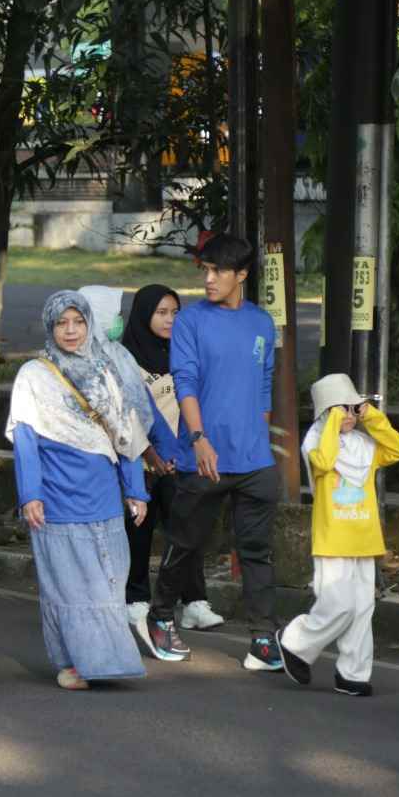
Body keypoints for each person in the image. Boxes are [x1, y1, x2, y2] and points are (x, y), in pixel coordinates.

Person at [144, 233, 282, 670]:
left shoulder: (262, 323)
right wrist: (199, 438)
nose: (209, 279)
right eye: (205, 269)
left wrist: (255, 435)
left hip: (255, 462)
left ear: (241, 275)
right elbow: (184, 380)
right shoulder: (192, 322)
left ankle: (263, 638)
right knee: (186, 543)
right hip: (202, 455)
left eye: (219, 271)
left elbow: (264, 387)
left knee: (257, 551)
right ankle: (160, 615)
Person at [7, 290, 152, 690]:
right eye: (61, 323)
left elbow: (127, 433)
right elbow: (25, 439)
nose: (71, 331)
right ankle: (71, 663)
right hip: (56, 495)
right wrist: (30, 494)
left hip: (103, 493)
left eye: (78, 322)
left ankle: (109, 660)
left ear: (89, 324)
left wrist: (135, 489)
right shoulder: (34, 375)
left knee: (108, 581)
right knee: (67, 585)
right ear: (50, 327)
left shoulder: (105, 369)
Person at [277, 374, 399, 696]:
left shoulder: (364, 445)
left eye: (352, 409)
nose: (349, 416)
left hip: (364, 537)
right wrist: (333, 420)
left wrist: (369, 414)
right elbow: (324, 461)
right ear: (326, 413)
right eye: (341, 409)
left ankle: (353, 673)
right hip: (332, 538)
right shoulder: (316, 442)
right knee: (339, 605)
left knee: (363, 608)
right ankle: (295, 642)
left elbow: (397, 449)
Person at [119, 284, 222, 650]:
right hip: (140, 457)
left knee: (186, 529)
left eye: (175, 312)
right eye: (161, 312)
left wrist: (182, 451)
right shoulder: (125, 358)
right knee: (140, 531)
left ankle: (194, 601)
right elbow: (129, 413)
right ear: (144, 313)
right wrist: (151, 454)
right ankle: (137, 600)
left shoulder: (183, 353)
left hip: (179, 458)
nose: (169, 320)